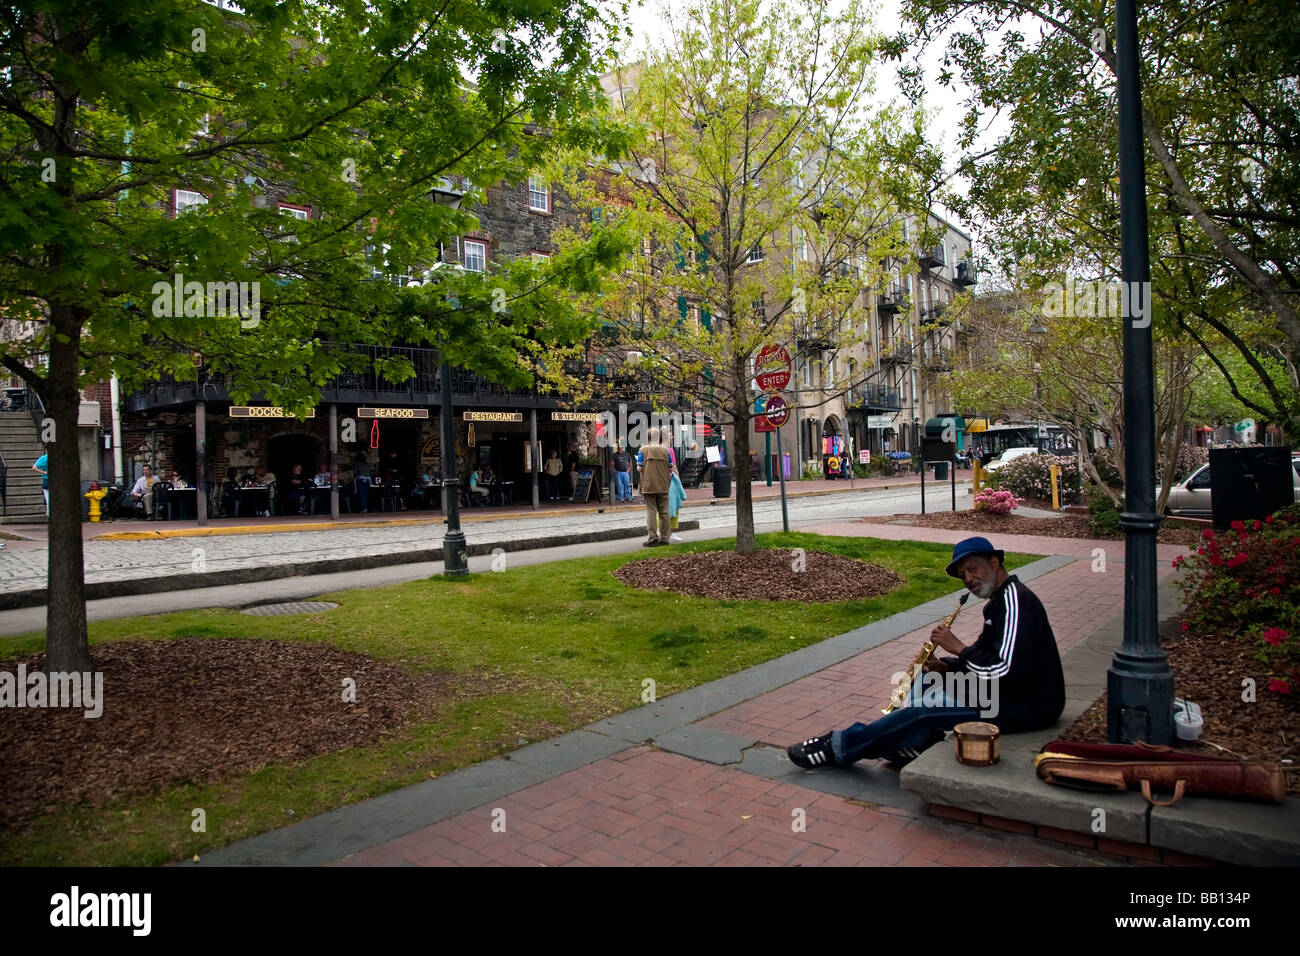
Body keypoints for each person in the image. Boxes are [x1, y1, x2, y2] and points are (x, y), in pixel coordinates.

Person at [786, 536, 1065, 769]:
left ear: (994, 563)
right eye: (963, 575)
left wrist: (958, 648)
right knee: (930, 676)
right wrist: (949, 666)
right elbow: (986, 656)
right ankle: (911, 741)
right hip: (1004, 693)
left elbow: (1005, 670)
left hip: (1026, 706)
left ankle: (838, 747)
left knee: (925, 710)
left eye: (973, 569)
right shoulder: (998, 602)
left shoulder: (1015, 601)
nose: (968, 579)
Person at [637, 427, 672, 547]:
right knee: (664, 513)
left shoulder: (642, 450)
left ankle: (652, 538)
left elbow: (640, 468)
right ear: (659, 437)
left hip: (649, 485)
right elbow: (670, 467)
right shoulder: (666, 451)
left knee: (651, 512)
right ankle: (665, 538)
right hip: (663, 485)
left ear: (648, 438)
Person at [32, 447, 49, 515]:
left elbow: (34, 468)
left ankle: (49, 512)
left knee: (48, 497)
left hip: (46, 479)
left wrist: (44, 472)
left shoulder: (43, 458)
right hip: (55, 480)